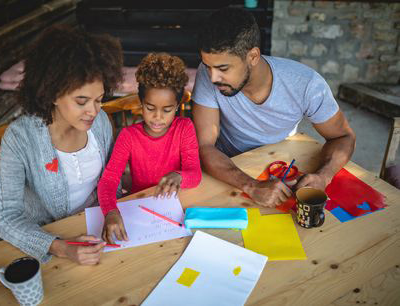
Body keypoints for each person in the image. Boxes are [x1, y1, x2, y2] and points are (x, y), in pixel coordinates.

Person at [192, 8, 356, 207]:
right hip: (229, 166)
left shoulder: (305, 84)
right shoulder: (208, 73)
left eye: (223, 68)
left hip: (282, 166)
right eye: (207, 66)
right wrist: (251, 186)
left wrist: (324, 176)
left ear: (253, 56)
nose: (213, 78)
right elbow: (205, 146)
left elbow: (343, 136)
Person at [0, 25, 123, 264]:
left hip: (97, 229)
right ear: (52, 93)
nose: (93, 111)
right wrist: (61, 248)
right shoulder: (20, 138)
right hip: (46, 238)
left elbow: (111, 178)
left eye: (99, 99)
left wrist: (110, 210)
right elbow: (5, 217)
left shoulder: (101, 122)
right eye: (81, 101)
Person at [98, 53, 202, 244]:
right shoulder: (128, 136)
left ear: (177, 106)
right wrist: (110, 211)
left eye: (167, 110)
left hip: (175, 209)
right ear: (141, 102)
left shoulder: (184, 128)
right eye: (150, 107)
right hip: (140, 209)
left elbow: (195, 174)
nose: (157, 117)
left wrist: (179, 176)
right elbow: (109, 180)